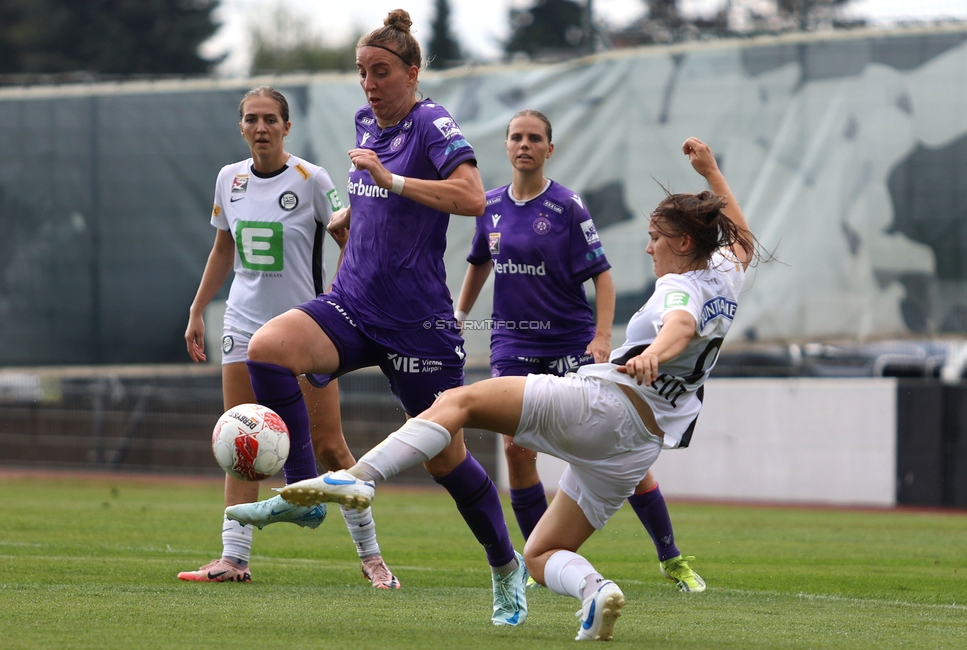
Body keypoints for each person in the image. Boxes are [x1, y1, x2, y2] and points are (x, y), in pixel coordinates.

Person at [280, 137, 756, 641]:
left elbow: (679, 325)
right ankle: (596, 590)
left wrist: (656, 352)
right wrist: (712, 172)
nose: (648, 246)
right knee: (540, 555)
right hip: (637, 448)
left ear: (684, 244)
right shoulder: (726, 274)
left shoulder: (676, 287)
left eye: (656, 237)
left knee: (457, 401)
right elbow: (744, 237)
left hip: (607, 407)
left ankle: (359, 476)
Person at [240, 11, 528, 625]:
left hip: (418, 324)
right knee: (269, 348)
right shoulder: (365, 120)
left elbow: (474, 198)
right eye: (362, 73)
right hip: (352, 304)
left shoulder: (432, 123)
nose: (369, 84)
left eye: (382, 72)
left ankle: (506, 566)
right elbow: (376, 209)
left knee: (445, 461)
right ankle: (303, 493)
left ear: (412, 72)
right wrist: (351, 223)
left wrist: (392, 181)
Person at [455, 109, 704, 593]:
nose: (524, 144)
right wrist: (459, 319)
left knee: (618, 451)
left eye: (534, 138)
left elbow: (603, 275)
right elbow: (479, 263)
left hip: (569, 339)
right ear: (505, 146)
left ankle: (671, 556)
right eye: (516, 137)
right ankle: (539, 562)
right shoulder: (487, 206)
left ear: (550, 149)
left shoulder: (567, 206)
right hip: (512, 340)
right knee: (516, 448)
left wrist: (602, 337)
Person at [177, 86, 398, 589]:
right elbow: (222, 250)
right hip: (241, 327)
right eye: (252, 119)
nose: (261, 128)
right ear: (241, 127)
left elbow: (350, 240)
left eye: (270, 119)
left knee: (330, 447)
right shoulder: (228, 179)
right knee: (240, 442)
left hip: (304, 333)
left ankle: (372, 557)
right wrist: (196, 311)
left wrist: (341, 306)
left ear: (286, 126)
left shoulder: (312, 179)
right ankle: (234, 559)